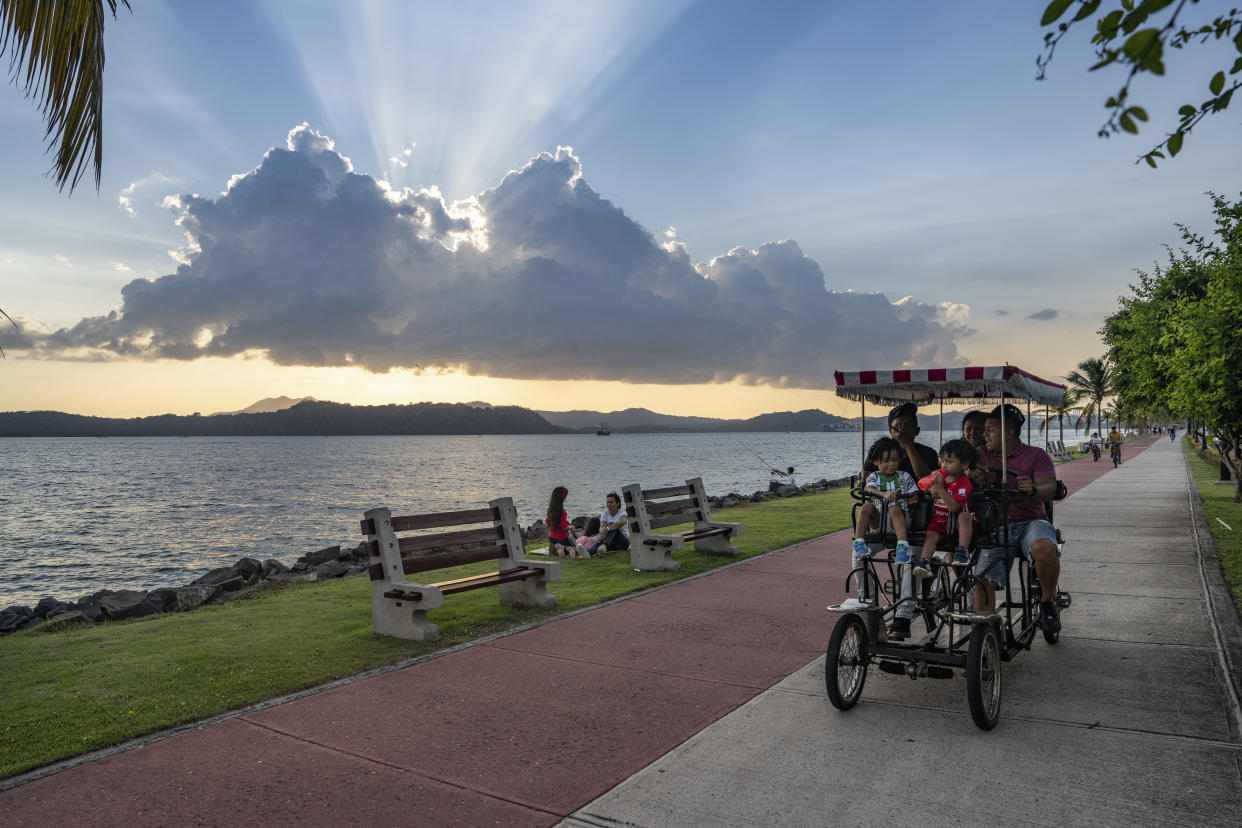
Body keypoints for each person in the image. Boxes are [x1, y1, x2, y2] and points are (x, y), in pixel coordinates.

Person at [972, 404, 1062, 634]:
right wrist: (970, 476)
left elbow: (1050, 487)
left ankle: (1047, 601)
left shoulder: (1035, 455)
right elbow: (958, 474)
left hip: (1031, 521)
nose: (985, 434)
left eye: (991, 429)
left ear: (1009, 432)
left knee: (1045, 548)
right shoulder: (981, 455)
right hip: (996, 527)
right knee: (982, 581)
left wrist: (1033, 488)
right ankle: (985, 636)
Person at [914, 438, 978, 576]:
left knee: (965, 516)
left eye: (949, 462)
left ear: (964, 464)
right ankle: (925, 561)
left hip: (958, 524)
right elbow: (932, 495)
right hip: (940, 521)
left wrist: (941, 489)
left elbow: (954, 507)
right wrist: (933, 486)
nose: (944, 466)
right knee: (931, 535)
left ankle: (962, 551)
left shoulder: (964, 483)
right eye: (942, 461)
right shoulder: (940, 478)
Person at [851, 437, 918, 563]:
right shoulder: (874, 476)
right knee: (866, 507)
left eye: (895, 460)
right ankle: (859, 542)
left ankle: (903, 546)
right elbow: (869, 488)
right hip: (879, 522)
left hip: (900, 520)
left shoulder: (904, 476)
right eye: (886, 461)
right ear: (876, 461)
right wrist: (883, 494)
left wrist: (913, 498)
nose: (891, 464)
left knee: (894, 509)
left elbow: (914, 494)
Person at [862, 402, 938, 481]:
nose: (902, 431)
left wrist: (907, 445)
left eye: (908, 426)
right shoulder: (879, 451)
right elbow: (868, 478)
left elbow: (928, 481)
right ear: (890, 431)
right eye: (897, 427)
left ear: (917, 430)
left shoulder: (929, 453)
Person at [546, 486, 575, 557]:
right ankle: (565, 548)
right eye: (565, 496)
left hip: (551, 538)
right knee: (572, 546)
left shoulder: (550, 510)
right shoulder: (562, 511)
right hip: (561, 538)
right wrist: (571, 527)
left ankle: (557, 546)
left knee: (558, 544)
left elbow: (548, 523)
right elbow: (564, 527)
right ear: (562, 497)